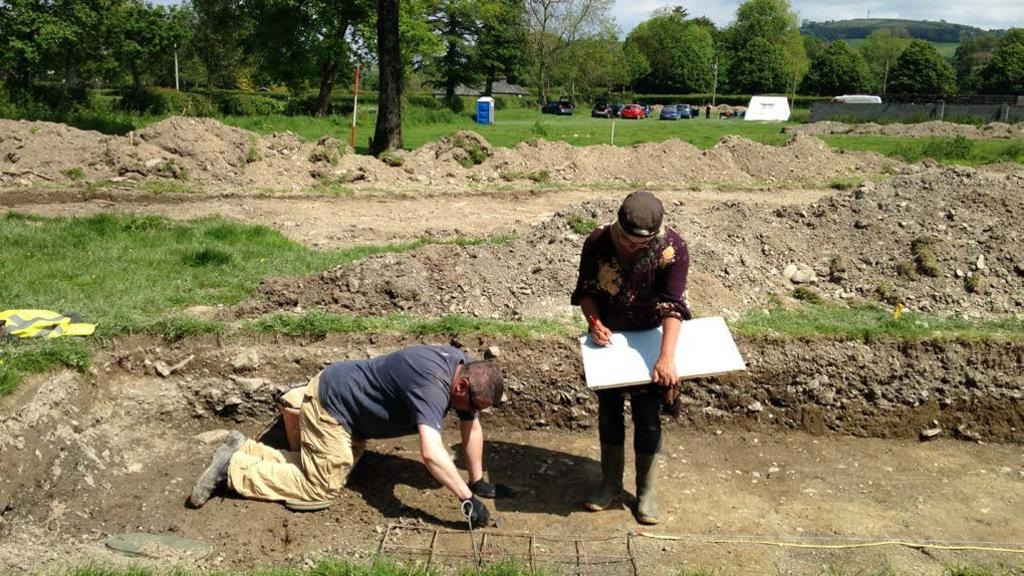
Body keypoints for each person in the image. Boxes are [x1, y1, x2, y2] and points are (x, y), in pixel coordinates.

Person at [187, 345, 509, 526]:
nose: (470, 411)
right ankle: (232, 470)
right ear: (462, 386)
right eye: (472, 404)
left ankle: (246, 449)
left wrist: (477, 482)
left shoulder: (460, 370)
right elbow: (431, 453)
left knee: (325, 466)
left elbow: (472, 425)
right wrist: (466, 500)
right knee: (319, 489)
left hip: (349, 410)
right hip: (331, 409)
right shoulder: (432, 386)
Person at [571, 191, 692, 525]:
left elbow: (673, 305)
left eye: (642, 243)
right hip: (609, 345)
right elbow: (587, 291)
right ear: (618, 227)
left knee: (647, 416)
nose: (632, 247)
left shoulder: (672, 250)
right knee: (609, 413)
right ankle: (609, 484)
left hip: (649, 341)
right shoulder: (597, 242)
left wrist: (666, 357)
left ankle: (646, 492)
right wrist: (594, 323)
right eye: (626, 239)